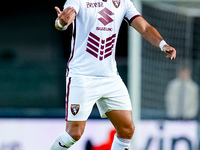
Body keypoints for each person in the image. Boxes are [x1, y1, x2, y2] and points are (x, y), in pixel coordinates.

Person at [50, 0, 176, 149]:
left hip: (110, 77)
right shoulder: (79, 0)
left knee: (127, 130)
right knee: (74, 134)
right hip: (82, 76)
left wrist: (162, 44)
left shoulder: (123, 2)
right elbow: (64, 20)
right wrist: (61, 23)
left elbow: (145, 28)